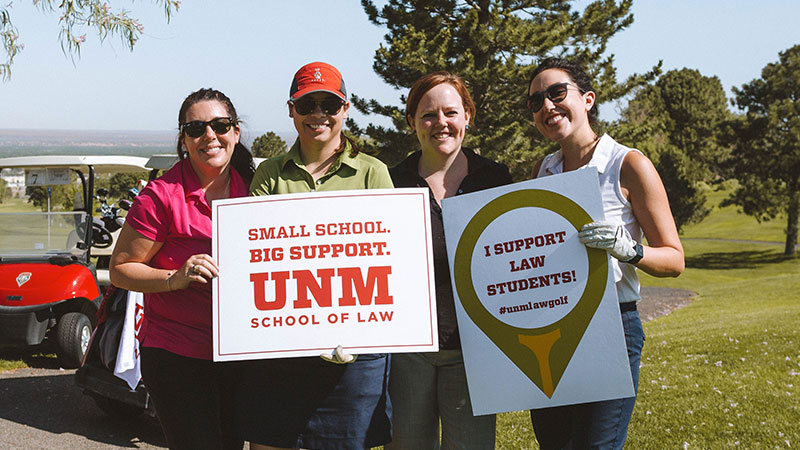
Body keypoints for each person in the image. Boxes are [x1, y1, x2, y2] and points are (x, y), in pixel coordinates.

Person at [526, 57, 685, 449]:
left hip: (612, 326)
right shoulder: (542, 170)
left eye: (557, 93)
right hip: (553, 331)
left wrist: (629, 250)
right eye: (535, 102)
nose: (547, 106)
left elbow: (674, 259)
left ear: (588, 99)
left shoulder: (627, 164)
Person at [236, 61, 394, 450]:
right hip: (281, 350)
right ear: (291, 109)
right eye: (307, 104)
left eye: (329, 104)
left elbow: (392, 257)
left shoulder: (373, 173)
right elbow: (252, 254)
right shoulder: (270, 173)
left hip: (353, 355)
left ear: (346, 108)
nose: (318, 114)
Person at [109, 88, 255, 450]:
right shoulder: (160, 196)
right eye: (196, 128)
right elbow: (121, 269)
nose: (209, 135)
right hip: (178, 354)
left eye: (220, 125)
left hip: (239, 352)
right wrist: (175, 279)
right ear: (184, 139)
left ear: (236, 132)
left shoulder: (256, 189)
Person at [386, 71, 513, 450]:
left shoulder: (496, 180)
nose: (440, 123)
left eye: (450, 113)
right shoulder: (391, 183)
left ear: (467, 116)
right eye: (427, 115)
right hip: (408, 352)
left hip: (473, 348)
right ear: (412, 122)